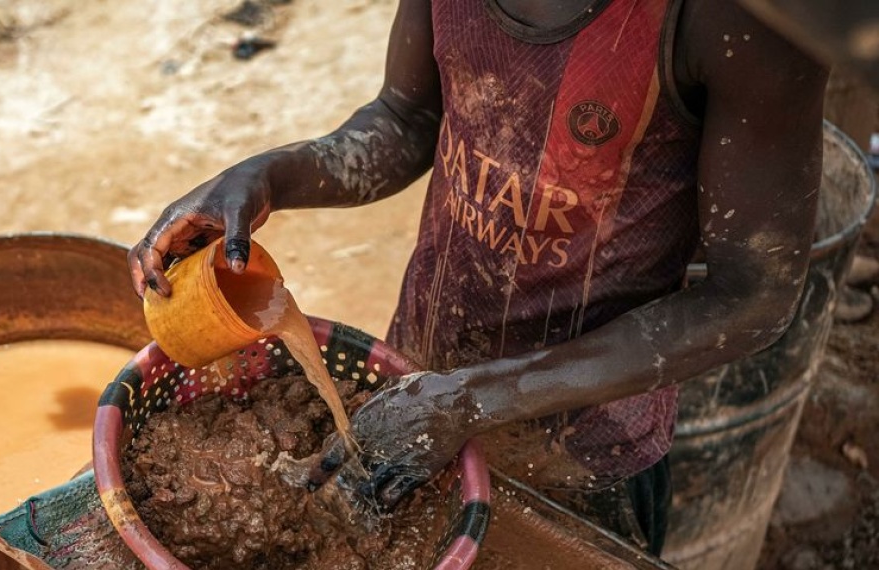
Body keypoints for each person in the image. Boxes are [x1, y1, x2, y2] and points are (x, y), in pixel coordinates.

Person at [128, 0, 827, 556]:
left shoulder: (741, 24)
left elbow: (754, 295)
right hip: (413, 383)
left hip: (578, 453)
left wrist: (473, 400)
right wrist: (267, 176)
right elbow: (407, 119)